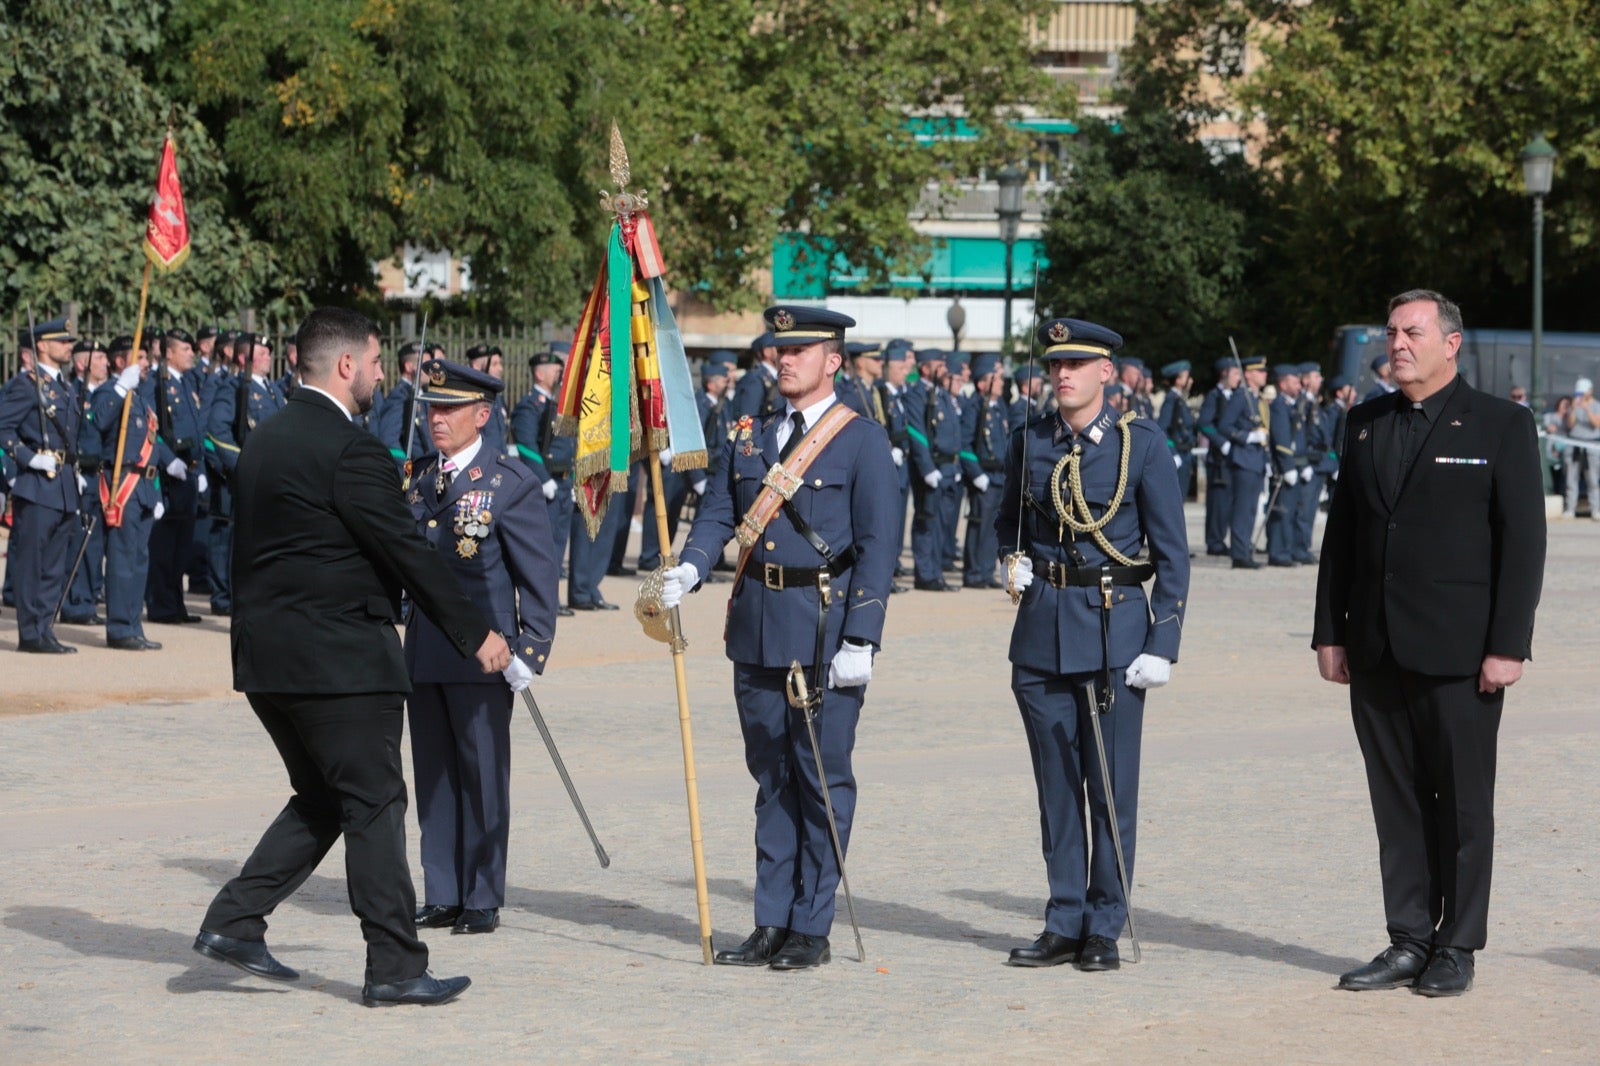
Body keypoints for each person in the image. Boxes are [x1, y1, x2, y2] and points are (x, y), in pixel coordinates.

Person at [196, 307, 512, 1008]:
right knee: (374, 801)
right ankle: (396, 966)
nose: (379, 373)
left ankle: (234, 920)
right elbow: (408, 552)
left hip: (267, 661)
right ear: (345, 365)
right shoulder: (351, 448)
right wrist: (477, 633)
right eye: (373, 361)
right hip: (339, 662)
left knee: (322, 798)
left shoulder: (266, 439)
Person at [1313, 289, 1545, 998]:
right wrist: (1330, 632)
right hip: (1378, 648)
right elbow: (1344, 538)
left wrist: (1509, 645)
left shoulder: (1502, 425)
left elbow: (1523, 542)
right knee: (1397, 802)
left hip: (1461, 653)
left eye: (1412, 331)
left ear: (1452, 342)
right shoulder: (1364, 421)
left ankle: (1458, 944)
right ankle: (1408, 938)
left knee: (1463, 806)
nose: (1397, 343)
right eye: (1392, 332)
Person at [659, 305, 898, 971]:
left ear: (833, 360)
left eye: (801, 349)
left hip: (823, 628)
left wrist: (863, 637)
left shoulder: (861, 440)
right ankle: (770, 917)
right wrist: (691, 566)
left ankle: (810, 924)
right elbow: (717, 514)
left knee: (819, 777)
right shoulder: (749, 435)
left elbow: (879, 547)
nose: (784, 358)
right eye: (778, 349)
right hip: (757, 625)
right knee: (771, 777)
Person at [995, 316, 1189, 971]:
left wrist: (1164, 642)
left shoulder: (1141, 446)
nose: (1062, 375)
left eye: (1076, 365)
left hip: (1113, 633)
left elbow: (1172, 554)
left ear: (1107, 371)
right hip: (1042, 632)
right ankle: (1064, 918)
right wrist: (1008, 559)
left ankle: (1104, 922)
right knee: (1056, 790)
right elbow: (1005, 520)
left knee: (1108, 789)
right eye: (1055, 365)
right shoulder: (1031, 441)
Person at [404, 359, 558, 935]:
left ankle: (482, 892)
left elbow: (538, 575)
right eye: (431, 410)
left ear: (483, 415)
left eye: (448, 410)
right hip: (425, 649)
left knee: (482, 773)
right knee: (436, 774)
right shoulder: (417, 478)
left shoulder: (508, 483)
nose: (436, 420)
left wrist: (532, 649)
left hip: (484, 653)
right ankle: (442, 888)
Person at [0, 317, 84, 653]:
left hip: (62, 485)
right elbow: (2, 428)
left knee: (54, 565)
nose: (69, 346)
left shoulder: (64, 386)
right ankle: (30, 632)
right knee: (32, 563)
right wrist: (27, 458)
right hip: (36, 484)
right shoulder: (25, 385)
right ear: (41, 347)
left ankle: (45, 626)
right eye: (61, 341)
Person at [90, 337, 169, 651]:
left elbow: (151, 447)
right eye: (140, 357)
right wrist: (120, 387)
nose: (147, 362)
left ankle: (133, 624)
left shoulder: (139, 398)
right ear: (120, 362)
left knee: (139, 560)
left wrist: (158, 491)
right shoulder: (111, 392)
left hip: (144, 488)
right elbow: (97, 421)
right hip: (123, 485)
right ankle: (120, 628)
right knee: (122, 560)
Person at [205, 334, 287, 616]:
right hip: (250, 480)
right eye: (262, 352)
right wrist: (245, 465)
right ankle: (234, 598)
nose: (268, 357)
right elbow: (217, 430)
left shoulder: (273, 390)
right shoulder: (234, 388)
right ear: (243, 358)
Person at [144, 328, 207, 624]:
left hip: (189, 474)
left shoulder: (185, 382)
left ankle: (176, 603)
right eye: (185, 349)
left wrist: (200, 468)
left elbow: (197, 431)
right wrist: (168, 461)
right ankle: (161, 605)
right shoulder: (155, 384)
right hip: (169, 477)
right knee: (164, 546)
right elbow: (148, 427)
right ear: (169, 353)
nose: (191, 353)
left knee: (182, 547)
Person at [904, 348, 962, 590]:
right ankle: (926, 574)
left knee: (942, 525)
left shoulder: (942, 394)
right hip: (932, 468)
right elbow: (916, 432)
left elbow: (953, 430)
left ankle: (936, 571)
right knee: (927, 522)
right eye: (939, 365)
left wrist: (956, 463)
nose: (945, 369)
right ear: (926, 369)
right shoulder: (917, 394)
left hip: (948, 468)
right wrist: (927, 467)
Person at [960, 353, 1009, 588]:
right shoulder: (974, 407)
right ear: (982, 383)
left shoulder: (998, 408)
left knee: (994, 528)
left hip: (999, 475)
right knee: (979, 524)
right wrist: (976, 473)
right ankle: (973, 573)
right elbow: (965, 444)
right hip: (984, 475)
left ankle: (987, 570)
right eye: (995, 378)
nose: (1000, 382)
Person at [1218, 353, 1271, 568]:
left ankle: (1244, 551)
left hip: (1256, 459)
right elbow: (1225, 426)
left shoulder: (1257, 399)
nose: (1264, 374)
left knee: (1250, 510)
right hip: (1244, 459)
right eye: (1260, 371)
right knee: (1242, 509)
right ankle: (1240, 555)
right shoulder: (1240, 397)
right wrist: (1247, 437)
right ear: (1248, 375)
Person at [1265, 364, 1309, 567]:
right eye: (1294, 381)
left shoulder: (1292, 405)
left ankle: (1287, 549)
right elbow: (1281, 440)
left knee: (1292, 511)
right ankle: (1278, 553)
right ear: (1283, 384)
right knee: (1282, 511)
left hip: (1295, 465)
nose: (1299, 385)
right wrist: (1288, 466)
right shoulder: (1279, 406)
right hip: (1284, 469)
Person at [1197, 357, 1240, 556]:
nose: (1238, 378)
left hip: (1233, 457)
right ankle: (1214, 541)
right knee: (1218, 502)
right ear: (1224, 374)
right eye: (1234, 374)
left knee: (1229, 502)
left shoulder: (1235, 396)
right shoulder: (1214, 396)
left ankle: (1222, 538)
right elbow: (1204, 423)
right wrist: (1220, 442)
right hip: (1219, 458)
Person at [1158, 360, 1197, 500]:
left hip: (1185, 454)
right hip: (1178, 455)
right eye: (1187, 376)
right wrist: (1173, 453)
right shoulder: (1171, 400)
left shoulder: (1179, 399)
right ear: (1179, 380)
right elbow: (1162, 429)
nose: (1190, 380)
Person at [1561, 377, 1599, 518]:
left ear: (1590, 390)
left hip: (1591, 445)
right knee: (1571, 479)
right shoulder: (1574, 405)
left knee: (1593, 479)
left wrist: (1586, 409)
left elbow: (1597, 424)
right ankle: (1570, 508)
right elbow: (1570, 425)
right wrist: (1574, 409)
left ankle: (1595, 509)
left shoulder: (1596, 405)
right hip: (1574, 443)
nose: (1581, 395)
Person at [728, 331, 782, 421]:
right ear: (767, 352)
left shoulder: (775, 378)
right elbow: (748, 419)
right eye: (778, 348)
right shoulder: (754, 379)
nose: (782, 351)